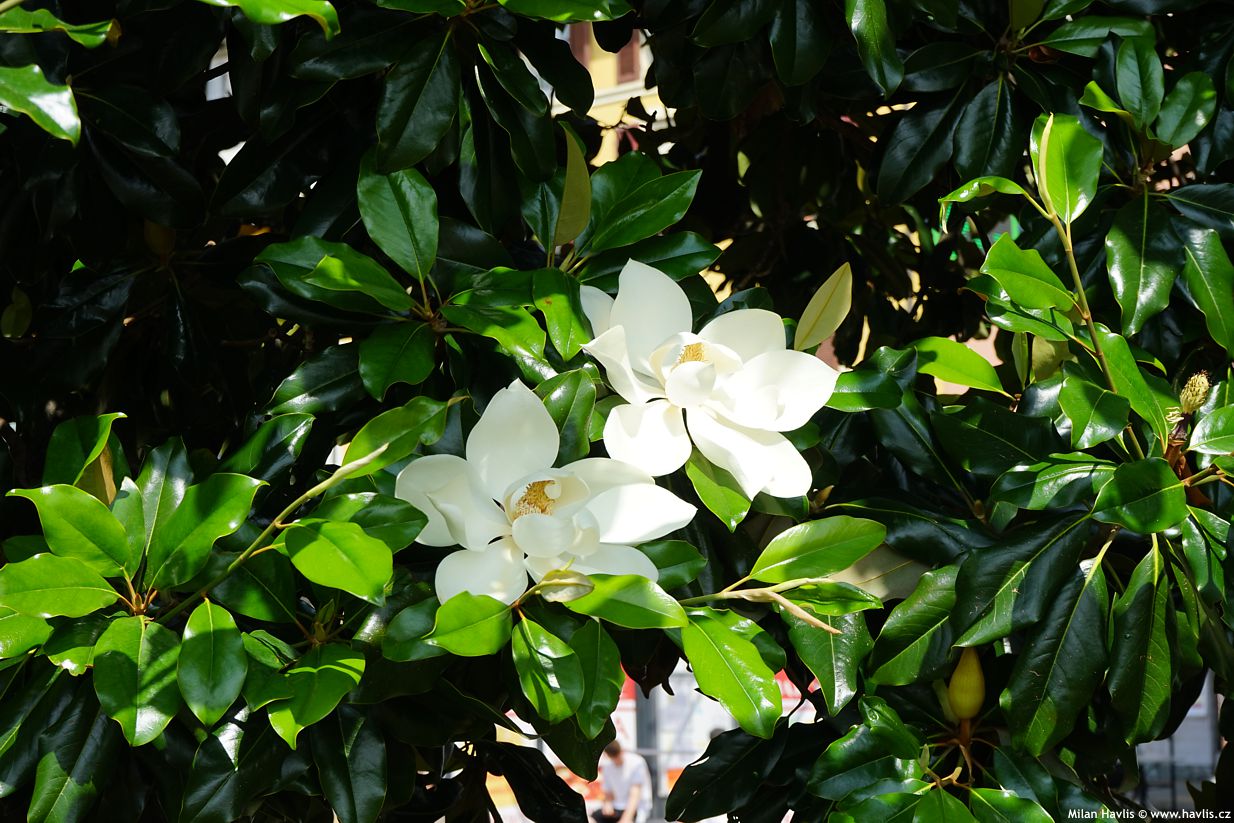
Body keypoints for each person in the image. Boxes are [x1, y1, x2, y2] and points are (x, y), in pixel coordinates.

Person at [592, 740, 652, 823]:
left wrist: (626, 819)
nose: (616, 761)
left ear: (622, 751)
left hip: (636, 808)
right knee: (590, 819)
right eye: (613, 758)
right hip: (616, 807)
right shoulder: (607, 765)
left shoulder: (637, 762)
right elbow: (608, 791)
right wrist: (608, 803)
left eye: (617, 756)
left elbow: (635, 794)